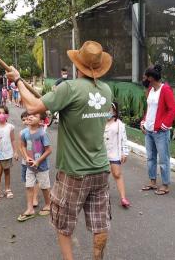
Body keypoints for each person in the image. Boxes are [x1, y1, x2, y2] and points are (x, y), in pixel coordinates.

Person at [7, 40, 113, 260]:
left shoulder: (69, 88)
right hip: (101, 169)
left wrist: (17, 80)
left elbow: (32, 108)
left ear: (78, 65)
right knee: (99, 222)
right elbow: (46, 106)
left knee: (63, 223)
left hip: (74, 171)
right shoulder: (106, 90)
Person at [140, 64, 175, 195]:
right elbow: (149, 109)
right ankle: (152, 182)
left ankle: (165, 185)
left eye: (146, 76)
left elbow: (173, 109)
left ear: (151, 77)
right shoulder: (150, 90)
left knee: (163, 159)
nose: (144, 79)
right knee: (150, 158)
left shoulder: (165, 89)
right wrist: (143, 121)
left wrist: (164, 125)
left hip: (160, 132)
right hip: (149, 131)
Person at [17, 112, 52, 222]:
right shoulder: (25, 132)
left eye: (35, 116)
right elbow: (22, 146)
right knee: (29, 186)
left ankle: (48, 204)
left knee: (45, 187)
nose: (31, 116)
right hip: (29, 166)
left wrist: (38, 161)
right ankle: (30, 208)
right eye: (30, 115)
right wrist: (26, 157)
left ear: (41, 121)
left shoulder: (42, 134)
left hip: (42, 167)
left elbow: (49, 150)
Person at [0, 105, 18, 202]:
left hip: (8, 154)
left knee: (7, 172)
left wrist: (15, 152)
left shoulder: (10, 127)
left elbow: (13, 140)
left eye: (3, 113)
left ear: (7, 115)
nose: (1, 115)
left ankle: (7, 189)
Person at [104, 102, 130, 208]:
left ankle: (123, 198)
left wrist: (125, 152)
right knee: (102, 176)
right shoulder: (100, 122)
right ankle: (102, 197)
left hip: (114, 153)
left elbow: (124, 139)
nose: (108, 112)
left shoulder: (119, 124)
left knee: (117, 174)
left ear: (114, 111)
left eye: (110, 110)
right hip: (102, 155)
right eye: (106, 110)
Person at [19, 111, 39, 207]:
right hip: (25, 161)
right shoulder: (22, 133)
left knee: (36, 180)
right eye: (24, 120)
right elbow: (21, 147)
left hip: (36, 161)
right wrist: (25, 158)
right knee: (27, 181)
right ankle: (30, 198)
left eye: (28, 119)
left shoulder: (38, 131)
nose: (26, 121)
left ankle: (35, 197)